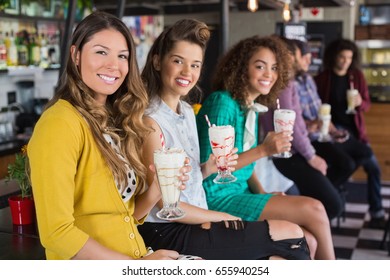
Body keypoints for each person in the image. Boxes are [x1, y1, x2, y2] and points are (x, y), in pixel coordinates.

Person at [137, 19, 310, 260]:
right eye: (178, 61)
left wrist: (207, 168)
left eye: (195, 65)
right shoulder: (151, 121)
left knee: (280, 257)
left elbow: (189, 181)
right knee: (292, 235)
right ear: (157, 61)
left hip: (197, 218)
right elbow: (165, 205)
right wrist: (223, 217)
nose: (188, 72)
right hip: (169, 230)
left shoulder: (186, 110)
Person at [27, 11, 186, 260]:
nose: (114, 65)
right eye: (101, 52)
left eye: (122, 56)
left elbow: (125, 216)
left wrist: (158, 187)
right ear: (76, 55)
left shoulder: (113, 122)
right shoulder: (59, 123)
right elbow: (56, 233)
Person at [196, 35, 335, 260]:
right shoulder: (223, 102)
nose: (269, 74)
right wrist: (263, 150)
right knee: (315, 209)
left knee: (309, 239)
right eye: (260, 66)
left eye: (274, 68)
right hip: (217, 197)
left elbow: (246, 167)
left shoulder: (249, 107)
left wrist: (261, 193)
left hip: (241, 193)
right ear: (241, 68)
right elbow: (217, 167)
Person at [262, 38, 356, 221]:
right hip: (289, 154)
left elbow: (295, 123)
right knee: (333, 204)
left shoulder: (288, 83)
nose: (306, 60)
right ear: (289, 57)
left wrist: (312, 128)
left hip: (292, 150)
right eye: (300, 55)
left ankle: (302, 239)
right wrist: (311, 156)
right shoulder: (284, 84)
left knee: (325, 199)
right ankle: (299, 240)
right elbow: (291, 127)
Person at [315, 38, 386, 228]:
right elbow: (317, 108)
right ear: (334, 57)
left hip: (357, 133)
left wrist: (360, 103)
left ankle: (376, 212)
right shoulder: (323, 78)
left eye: (349, 57)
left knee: (374, 169)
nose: (345, 61)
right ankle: (330, 194)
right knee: (347, 163)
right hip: (335, 132)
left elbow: (367, 105)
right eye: (342, 57)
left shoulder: (357, 77)